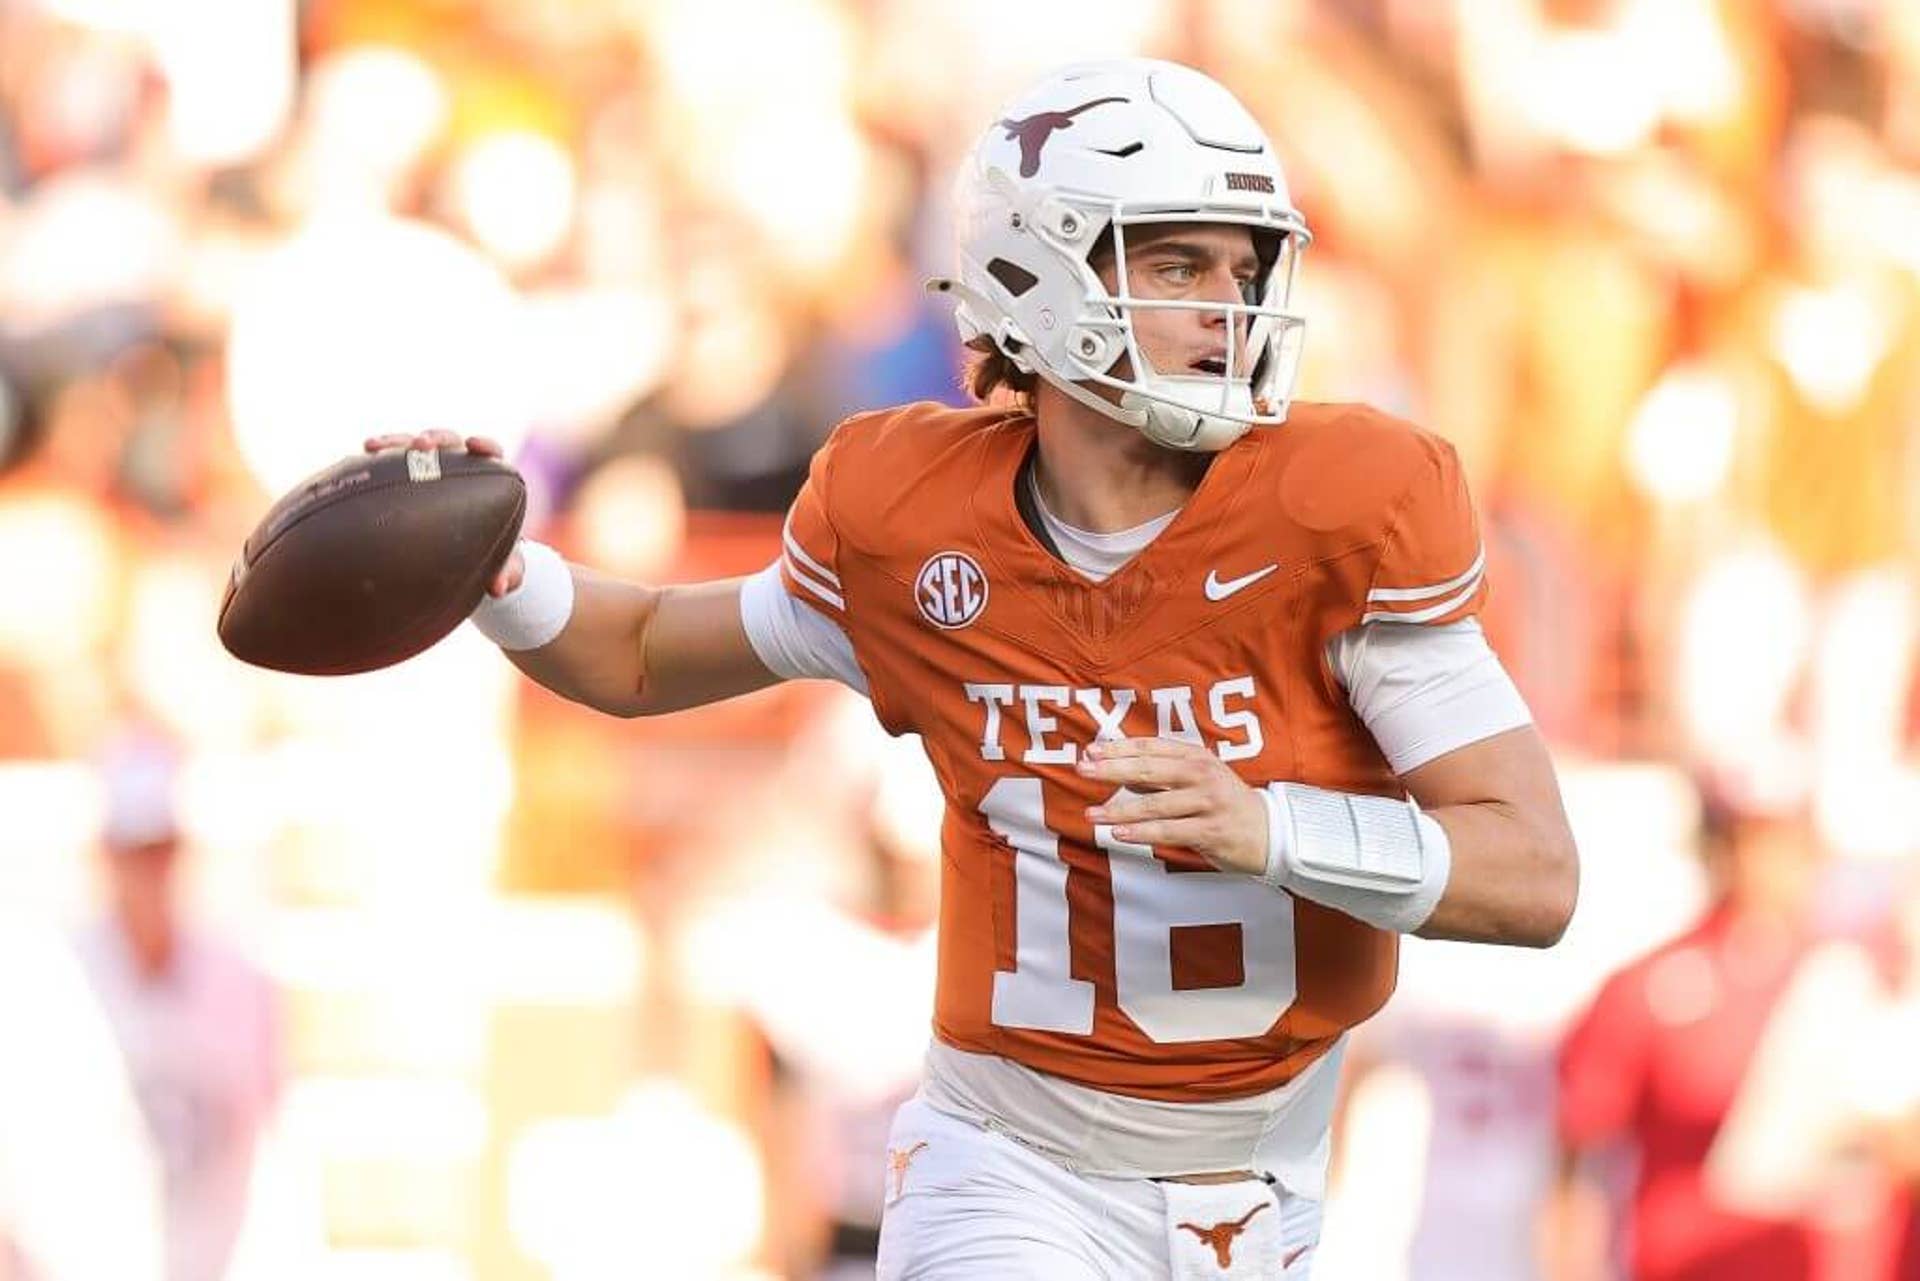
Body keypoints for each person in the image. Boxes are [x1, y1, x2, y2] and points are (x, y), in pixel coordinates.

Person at [369, 58, 1578, 1280]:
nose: (1231, 304)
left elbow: (1532, 876)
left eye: (1243, 265)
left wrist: (1269, 831)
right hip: (1006, 1159)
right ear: (1038, 276)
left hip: (1261, 1183)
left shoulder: (1342, 513)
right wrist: (492, 566)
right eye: (1177, 264)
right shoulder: (911, 518)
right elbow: (636, 652)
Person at [73, 731, 283, 1281]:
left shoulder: (239, 982)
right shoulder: (58, 979)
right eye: (134, 850)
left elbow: (268, 1135)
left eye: (159, 848)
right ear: (106, 852)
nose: (148, 870)